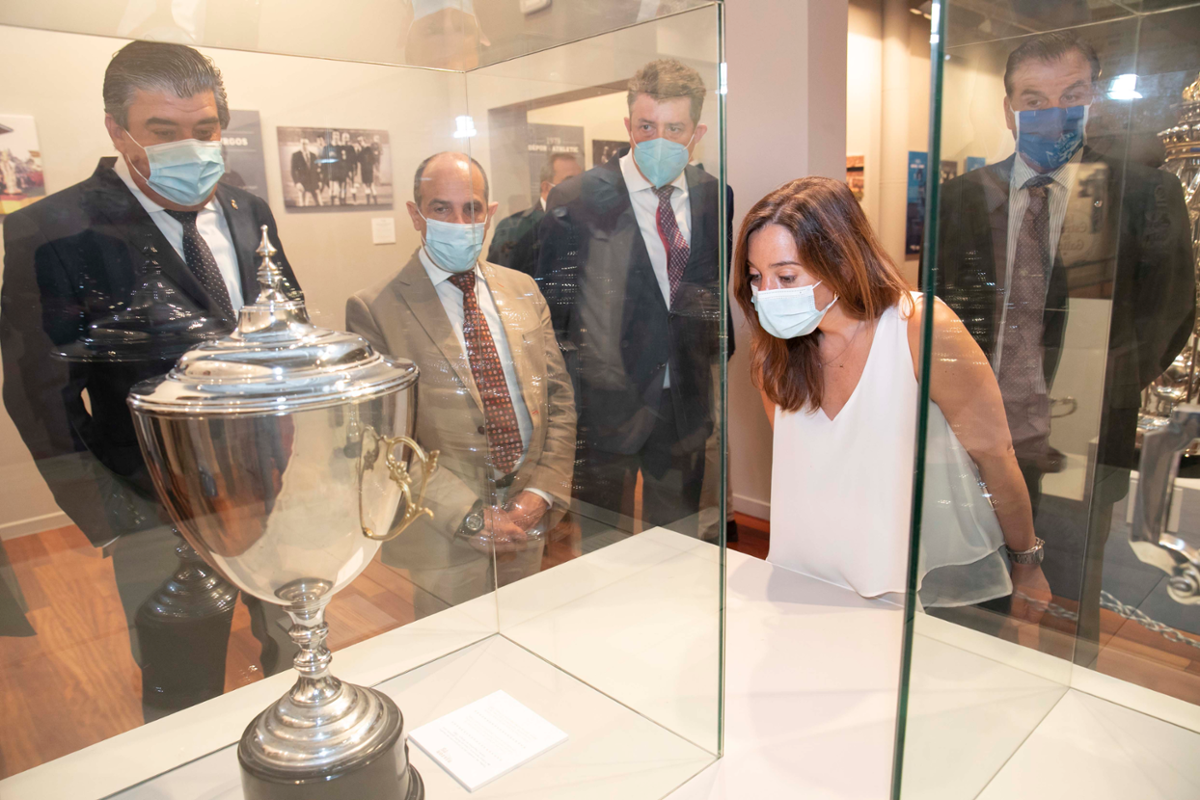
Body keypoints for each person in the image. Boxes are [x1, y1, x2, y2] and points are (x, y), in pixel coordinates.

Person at [0, 41, 302, 715]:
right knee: (181, 685)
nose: (189, 148)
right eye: (163, 132)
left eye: (205, 129)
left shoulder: (248, 210)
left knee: (291, 645)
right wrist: (110, 518)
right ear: (117, 130)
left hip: (265, 483)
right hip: (151, 505)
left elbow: (287, 320)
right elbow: (39, 395)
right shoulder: (53, 231)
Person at [936, 32, 1194, 655]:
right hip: (975, 441)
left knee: (1070, 610)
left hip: (1079, 442)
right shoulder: (962, 198)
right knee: (969, 603)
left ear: (1093, 101)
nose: (1052, 112)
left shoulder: (1143, 194)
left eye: (1070, 95)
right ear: (1008, 110)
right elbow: (941, 312)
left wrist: (1101, 389)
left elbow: (1169, 314)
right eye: (1033, 99)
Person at [736, 177, 1050, 614]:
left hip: (906, 581)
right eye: (756, 276)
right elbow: (810, 470)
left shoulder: (919, 328)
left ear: (842, 262)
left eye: (786, 276)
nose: (767, 295)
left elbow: (995, 455)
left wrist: (1026, 561)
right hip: (803, 578)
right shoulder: (773, 352)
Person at [346, 152, 575, 618]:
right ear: (416, 215)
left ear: (490, 214)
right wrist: (468, 515)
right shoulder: (375, 309)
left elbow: (558, 399)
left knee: (526, 630)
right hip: (444, 528)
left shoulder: (523, 289)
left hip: (527, 513)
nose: (459, 222)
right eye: (441, 208)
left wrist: (541, 492)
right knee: (455, 647)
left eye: (472, 208)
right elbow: (380, 440)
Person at [536, 59, 731, 537]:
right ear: (628, 125)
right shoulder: (577, 199)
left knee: (678, 546)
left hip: (684, 405)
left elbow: (711, 291)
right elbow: (553, 314)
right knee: (604, 550)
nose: (658, 139)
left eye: (674, 128)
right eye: (646, 126)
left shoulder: (713, 196)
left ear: (697, 132)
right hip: (605, 409)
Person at [488, 153, 581, 275]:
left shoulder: (585, 224)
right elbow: (498, 279)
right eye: (570, 181)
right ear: (546, 187)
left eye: (580, 181)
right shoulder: (514, 228)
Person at [290, 136, 321, 206]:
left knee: (320, 204)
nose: (304, 145)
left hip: (313, 183)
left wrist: (319, 181)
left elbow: (317, 170)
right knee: (303, 205)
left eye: (306, 144)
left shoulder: (313, 155)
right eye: (302, 143)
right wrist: (297, 183)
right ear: (300, 144)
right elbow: (293, 171)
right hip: (302, 184)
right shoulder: (295, 155)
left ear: (308, 144)